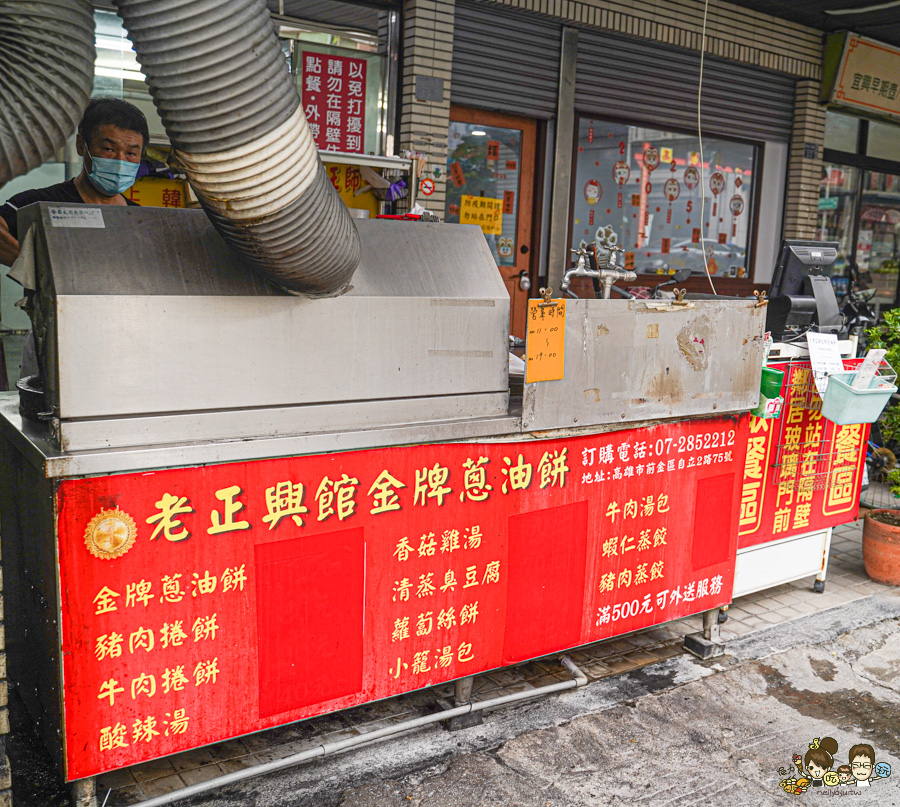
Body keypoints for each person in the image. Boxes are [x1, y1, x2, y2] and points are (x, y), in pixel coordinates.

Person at [0, 97, 148, 266]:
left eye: (131, 153)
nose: (120, 161)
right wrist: (34, 266)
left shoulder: (141, 220)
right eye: (108, 149)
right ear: (81, 145)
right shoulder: (44, 203)